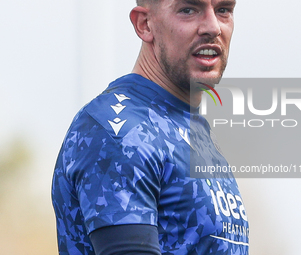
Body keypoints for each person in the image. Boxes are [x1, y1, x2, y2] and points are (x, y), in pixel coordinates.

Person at [51, 0, 249, 254]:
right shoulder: (120, 131)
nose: (213, 27)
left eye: (223, 10)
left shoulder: (188, 127)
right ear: (145, 24)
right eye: (188, 10)